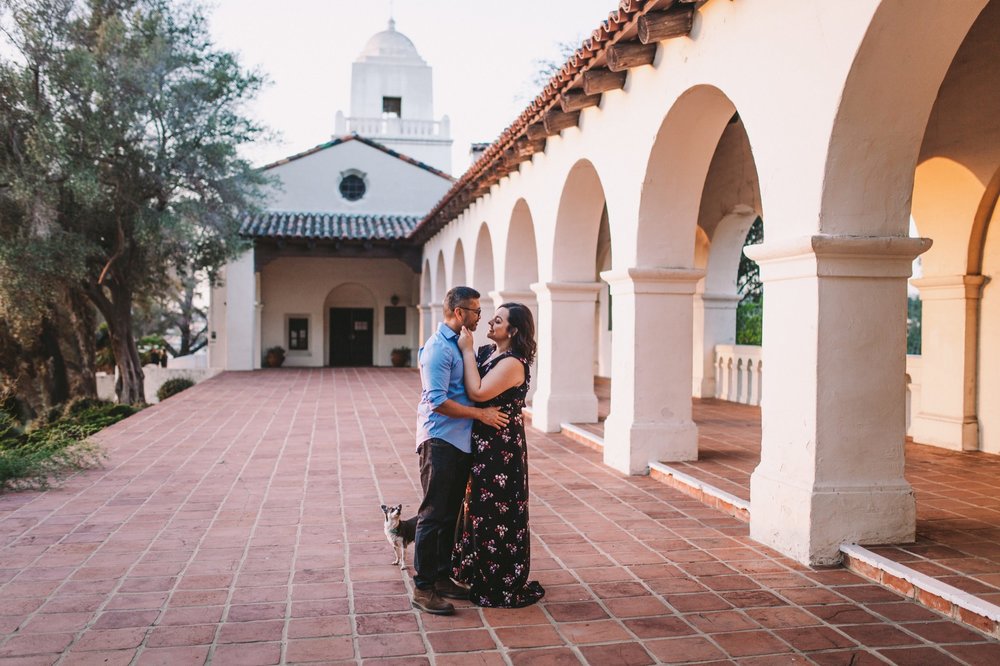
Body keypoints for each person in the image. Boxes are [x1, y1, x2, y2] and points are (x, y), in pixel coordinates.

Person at [412, 286, 510, 616]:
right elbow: (437, 402)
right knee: (433, 514)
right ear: (459, 313)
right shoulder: (438, 349)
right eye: (476, 311)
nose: (480, 317)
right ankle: (423, 588)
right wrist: (480, 414)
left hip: (459, 441)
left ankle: (441, 577)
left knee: (450, 515)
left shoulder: (461, 345)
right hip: (439, 441)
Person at [452, 302, 545, 608]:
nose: (490, 322)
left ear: (513, 330)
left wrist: (466, 350)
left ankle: (499, 579)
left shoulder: (513, 363)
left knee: (497, 510)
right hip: (482, 439)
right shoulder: (486, 353)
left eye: (499, 320)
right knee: (477, 506)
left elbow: (478, 392)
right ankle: (476, 570)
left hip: (500, 448)